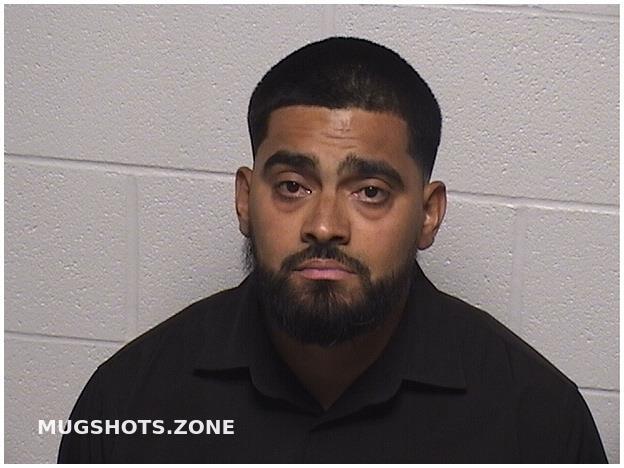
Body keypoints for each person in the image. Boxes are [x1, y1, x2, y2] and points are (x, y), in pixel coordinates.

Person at [58, 36, 607, 463]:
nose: (324, 226)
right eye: (292, 186)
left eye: (370, 192)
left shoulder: (538, 423)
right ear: (246, 200)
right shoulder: (127, 404)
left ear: (428, 214)